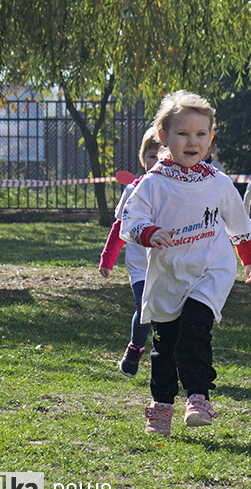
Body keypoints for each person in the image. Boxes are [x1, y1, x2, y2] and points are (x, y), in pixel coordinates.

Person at [120, 90, 251, 437]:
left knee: (194, 331)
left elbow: (238, 222)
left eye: (200, 134)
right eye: (183, 133)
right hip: (169, 274)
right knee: (165, 345)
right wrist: (149, 232)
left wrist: (248, 258)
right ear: (164, 138)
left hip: (211, 270)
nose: (192, 141)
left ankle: (198, 397)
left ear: (210, 139)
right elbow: (130, 221)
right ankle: (161, 406)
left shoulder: (218, 182)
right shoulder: (153, 183)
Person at [98, 127, 162, 377]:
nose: (155, 162)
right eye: (151, 156)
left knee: (167, 314)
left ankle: (168, 356)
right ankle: (135, 347)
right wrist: (108, 258)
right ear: (142, 158)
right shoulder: (131, 191)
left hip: (169, 265)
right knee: (144, 306)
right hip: (140, 266)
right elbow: (118, 228)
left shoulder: (177, 191)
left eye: (160, 157)